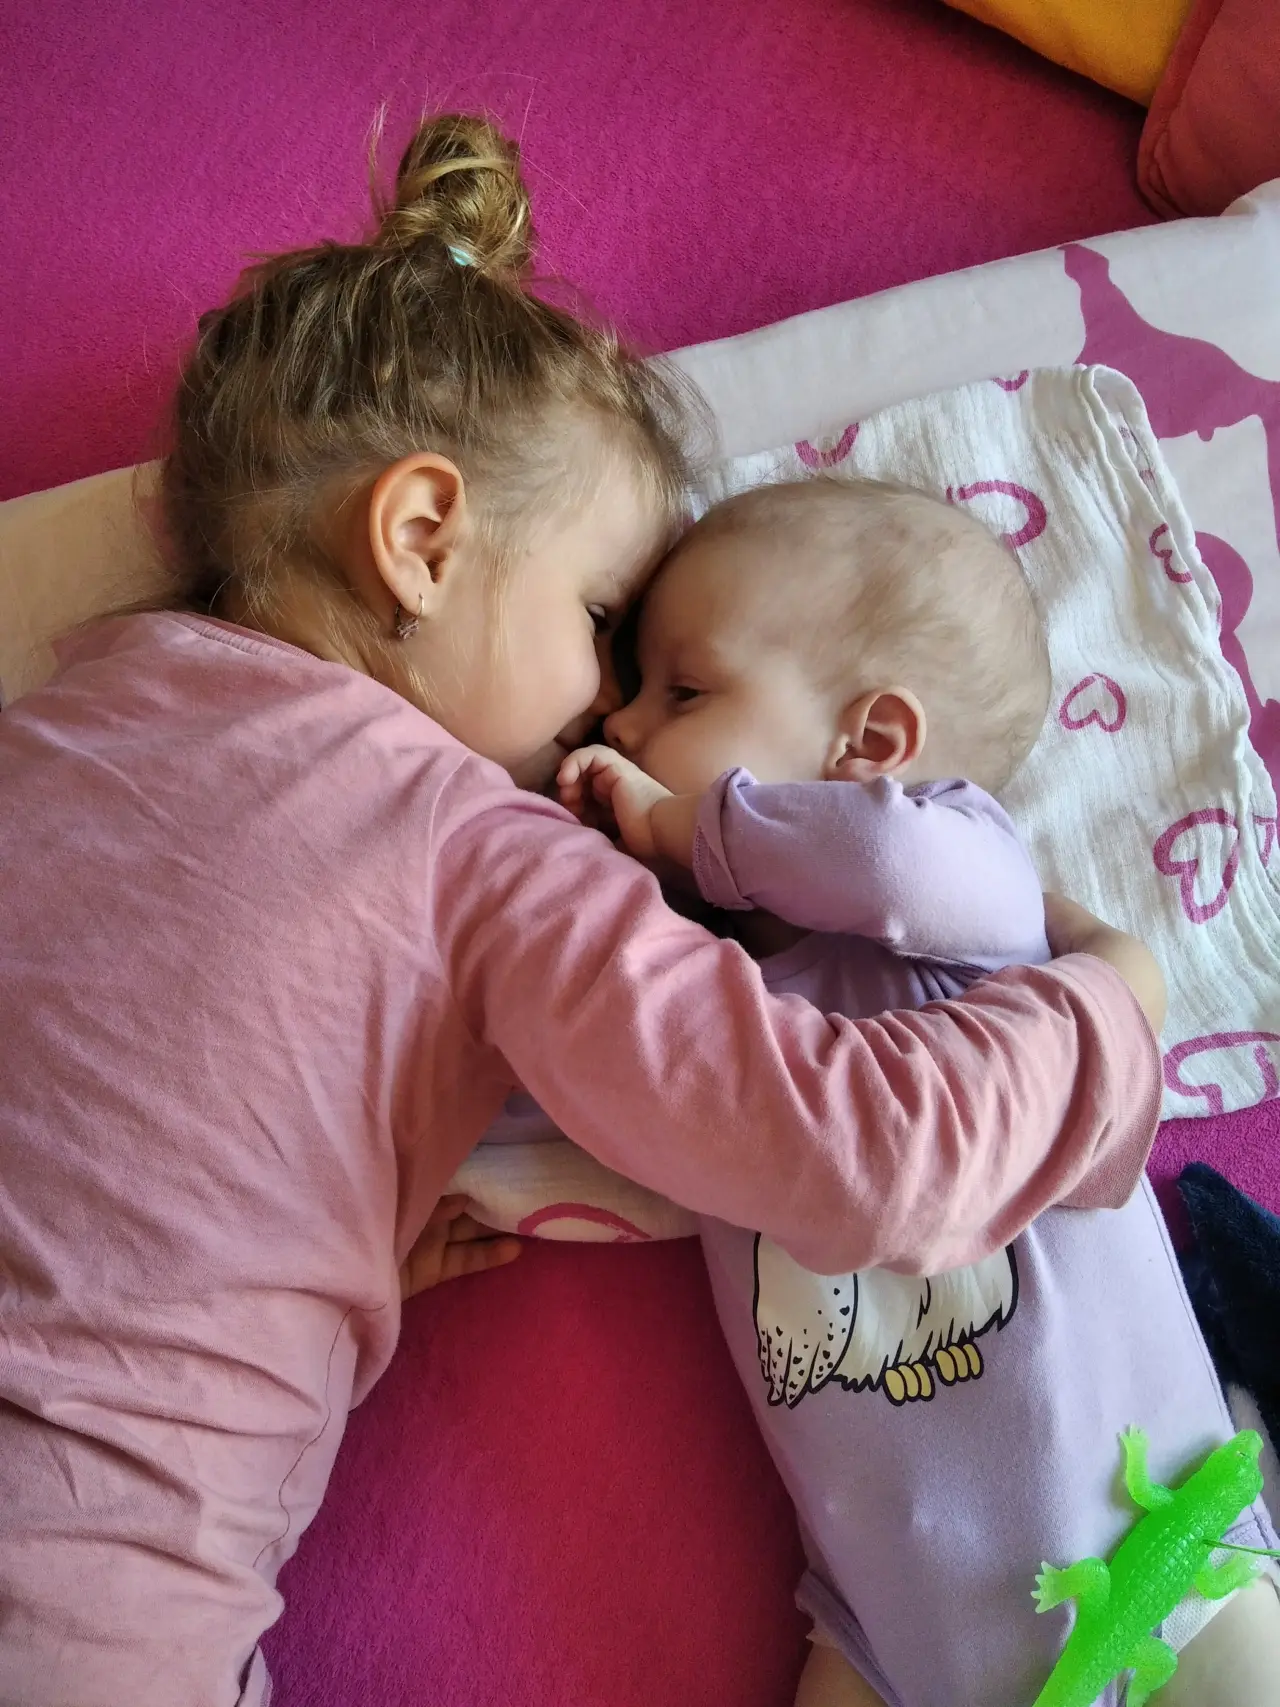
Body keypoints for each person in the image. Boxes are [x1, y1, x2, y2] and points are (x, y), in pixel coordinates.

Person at [0, 117, 1163, 1707]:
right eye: (604, 621)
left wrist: (313, 1243)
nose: (608, 717)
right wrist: (1107, 1008)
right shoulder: (475, 840)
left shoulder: (52, 721)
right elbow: (854, 1151)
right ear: (422, 539)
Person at [559, 476, 1280, 1707]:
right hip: (891, 1640)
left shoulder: (973, 900)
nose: (620, 724)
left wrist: (688, 827)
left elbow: (882, 857)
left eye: (681, 691)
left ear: (871, 746)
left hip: (1158, 1556)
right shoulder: (711, 1003)